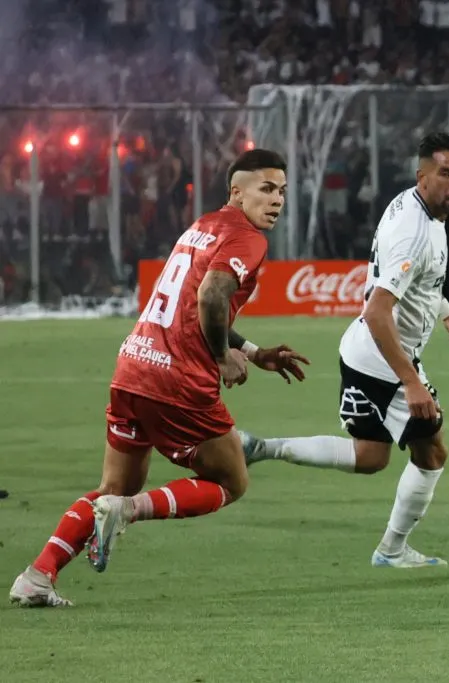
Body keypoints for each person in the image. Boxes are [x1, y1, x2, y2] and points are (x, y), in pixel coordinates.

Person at [9, 149, 309, 607]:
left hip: (133, 366)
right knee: (231, 480)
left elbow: (192, 304)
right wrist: (221, 357)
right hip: (178, 380)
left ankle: (37, 575)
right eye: (267, 189)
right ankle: (128, 511)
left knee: (113, 486)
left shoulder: (202, 226)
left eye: (282, 191)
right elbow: (210, 297)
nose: (277, 200)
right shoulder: (246, 238)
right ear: (237, 192)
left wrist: (251, 351)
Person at [242, 132, 449, 569]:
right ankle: (392, 550)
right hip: (385, 358)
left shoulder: (415, 206)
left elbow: (420, 282)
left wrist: (447, 315)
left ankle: (263, 448)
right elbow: (378, 311)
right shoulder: (414, 232)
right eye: (445, 173)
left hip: (364, 351)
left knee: (370, 457)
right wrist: (411, 381)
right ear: (422, 177)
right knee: (432, 453)